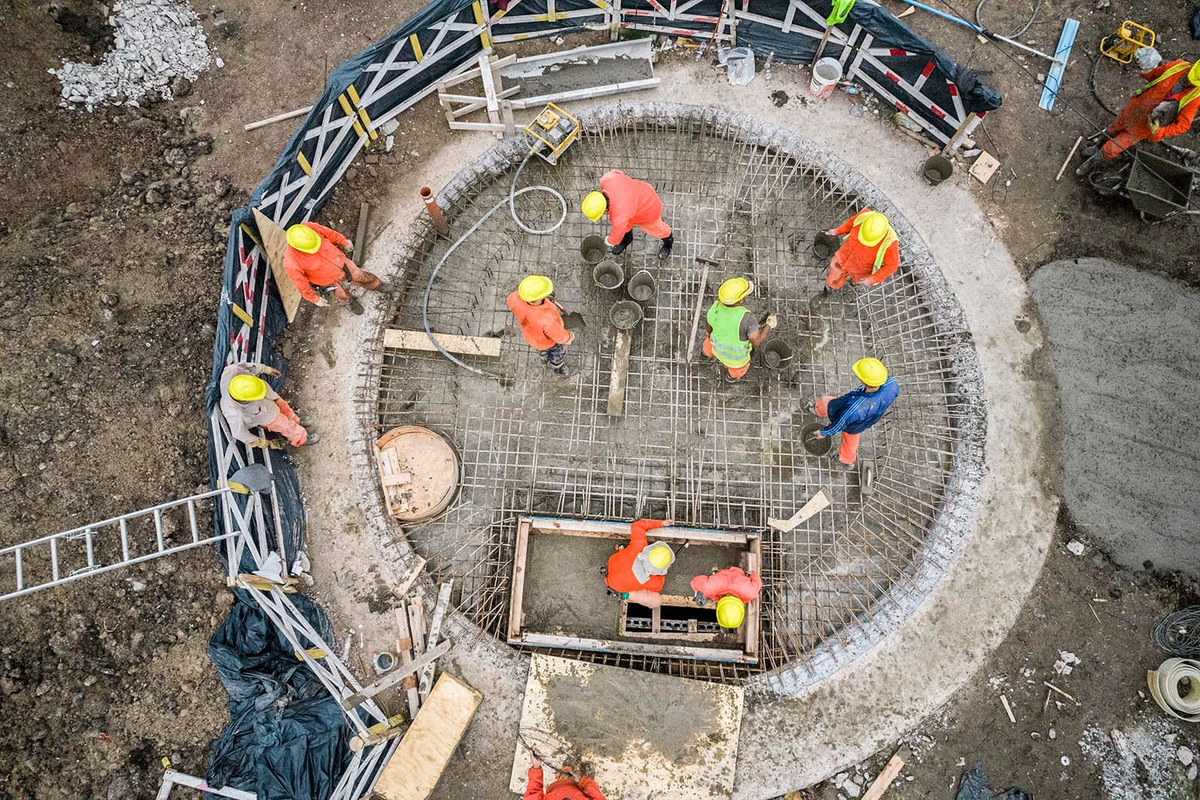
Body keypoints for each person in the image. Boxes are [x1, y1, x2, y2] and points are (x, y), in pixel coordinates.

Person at [1078, 48, 1200, 174]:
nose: (1187, 81)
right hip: (1133, 109)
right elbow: (1154, 76)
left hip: (1142, 128)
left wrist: (1159, 132)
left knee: (1112, 148)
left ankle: (1092, 162)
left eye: (1191, 82)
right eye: (1188, 76)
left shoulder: (1194, 98)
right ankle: (1095, 148)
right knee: (1112, 129)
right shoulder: (1178, 66)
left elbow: (1183, 125)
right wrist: (1147, 66)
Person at [813, 357, 899, 467]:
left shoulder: (855, 408)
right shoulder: (892, 384)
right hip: (867, 419)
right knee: (851, 441)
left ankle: (817, 408)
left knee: (827, 403)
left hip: (850, 416)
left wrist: (823, 433)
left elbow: (838, 425)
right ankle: (846, 461)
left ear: (863, 380)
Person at [282, 221, 382, 314]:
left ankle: (375, 284)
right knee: (340, 293)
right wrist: (314, 299)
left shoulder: (310, 228)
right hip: (325, 279)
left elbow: (329, 233)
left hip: (339, 260)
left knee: (359, 274)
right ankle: (349, 302)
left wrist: (343, 241)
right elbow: (301, 284)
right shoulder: (291, 263)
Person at [219, 362, 317, 448]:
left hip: (264, 393)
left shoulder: (232, 372)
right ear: (245, 399)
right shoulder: (233, 412)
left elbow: (250, 367)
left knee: (283, 406)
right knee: (284, 425)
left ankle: (296, 420)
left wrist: (267, 369)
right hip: (264, 415)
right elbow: (239, 433)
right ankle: (301, 438)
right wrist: (262, 442)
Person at [582, 170, 674, 259]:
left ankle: (668, 242)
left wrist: (609, 241)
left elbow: (616, 236)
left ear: (604, 210)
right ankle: (627, 240)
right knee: (626, 225)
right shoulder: (607, 179)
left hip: (649, 209)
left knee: (656, 229)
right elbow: (619, 173)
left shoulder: (619, 217)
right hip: (641, 193)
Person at [703, 277, 777, 382]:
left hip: (715, 347)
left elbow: (708, 329)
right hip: (735, 360)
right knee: (738, 370)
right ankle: (731, 378)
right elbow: (757, 341)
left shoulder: (715, 307)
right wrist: (769, 324)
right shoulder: (747, 318)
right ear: (741, 300)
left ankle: (705, 354)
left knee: (707, 347)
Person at [506, 275, 575, 376]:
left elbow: (513, 299)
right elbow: (559, 336)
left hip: (533, 339)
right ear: (538, 299)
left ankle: (543, 357)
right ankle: (558, 367)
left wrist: (545, 299)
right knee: (557, 353)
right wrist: (569, 337)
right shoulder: (546, 319)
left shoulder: (514, 298)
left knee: (541, 350)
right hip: (549, 342)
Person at [823, 210, 900, 291]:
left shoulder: (890, 242)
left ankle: (853, 283)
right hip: (844, 255)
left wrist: (872, 279)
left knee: (859, 280)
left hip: (862, 268)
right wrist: (837, 231)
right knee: (835, 272)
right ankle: (831, 287)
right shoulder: (864, 216)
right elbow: (850, 223)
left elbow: (893, 265)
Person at [603, 518, 675, 595]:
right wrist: (662, 572)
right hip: (615, 586)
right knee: (654, 599)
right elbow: (659, 586)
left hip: (612, 564)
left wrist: (662, 523)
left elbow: (637, 525)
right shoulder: (646, 580)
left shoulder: (639, 546)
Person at [691, 566, 762, 630]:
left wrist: (752, 574)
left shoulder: (750, 592)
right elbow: (695, 582)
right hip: (721, 576)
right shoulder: (710, 588)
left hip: (739, 571)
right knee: (712, 594)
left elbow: (757, 582)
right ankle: (716, 572)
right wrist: (701, 589)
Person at [523, 755, 606, 800]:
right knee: (591, 787)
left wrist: (536, 767)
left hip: (559, 786)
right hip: (581, 790)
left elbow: (533, 793)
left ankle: (567, 770)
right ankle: (586, 777)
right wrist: (582, 780)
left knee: (567, 771)